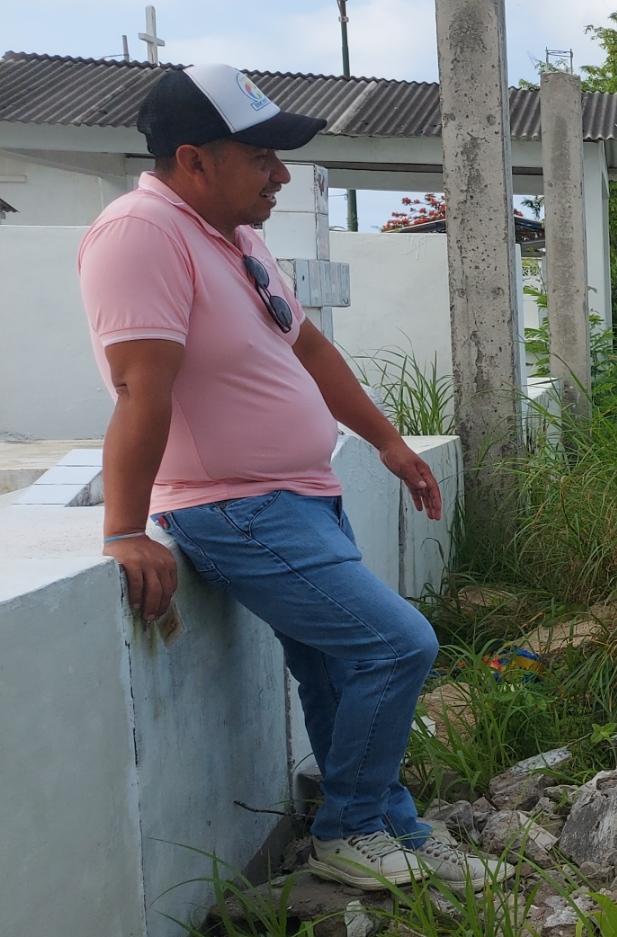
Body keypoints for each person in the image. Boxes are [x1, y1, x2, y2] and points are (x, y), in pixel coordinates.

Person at [79, 64, 511, 891]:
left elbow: (307, 347)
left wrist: (387, 442)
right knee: (399, 643)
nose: (280, 174)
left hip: (300, 495)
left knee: (339, 667)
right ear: (193, 159)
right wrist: (126, 529)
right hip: (235, 506)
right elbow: (138, 387)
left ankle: (394, 827)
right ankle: (350, 827)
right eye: (262, 156)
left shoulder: (234, 237)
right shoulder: (141, 233)